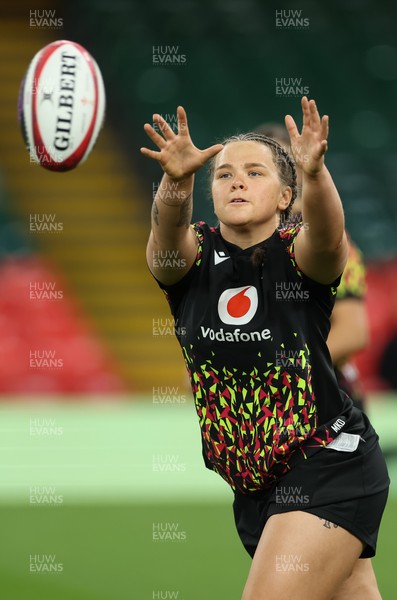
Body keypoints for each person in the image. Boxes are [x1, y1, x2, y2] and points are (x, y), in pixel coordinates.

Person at [141, 98, 389, 600]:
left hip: (326, 463)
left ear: (285, 197)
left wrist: (315, 174)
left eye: (255, 173)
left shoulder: (301, 256)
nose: (237, 180)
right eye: (225, 174)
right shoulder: (191, 262)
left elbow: (327, 234)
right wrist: (176, 182)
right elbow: (166, 240)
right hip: (254, 484)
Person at [255, 122, 369, 412]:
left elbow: (354, 331)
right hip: (258, 416)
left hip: (326, 404)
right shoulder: (228, 245)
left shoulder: (328, 245)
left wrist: (282, 374)